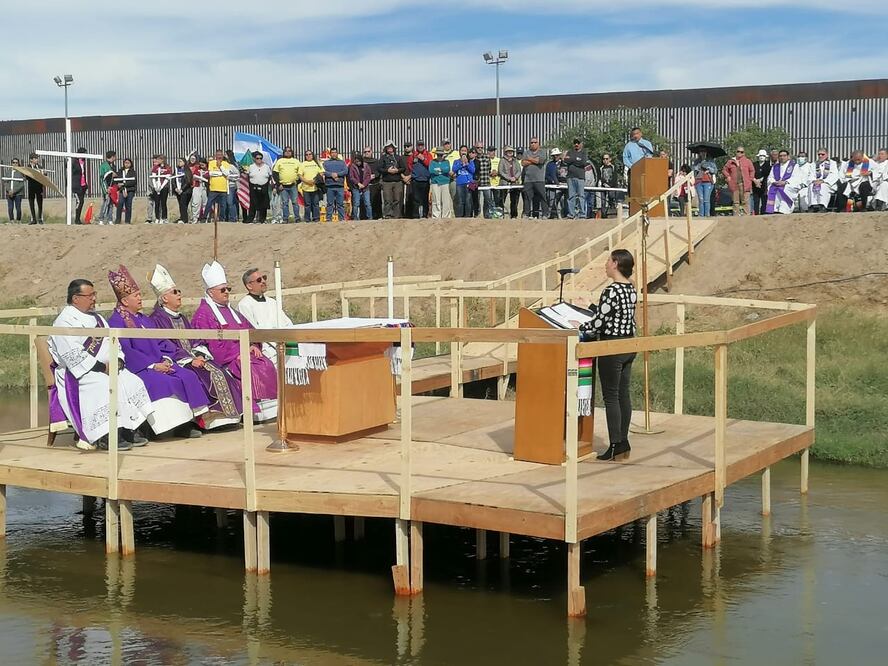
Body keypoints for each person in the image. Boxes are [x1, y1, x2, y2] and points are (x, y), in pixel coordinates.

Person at [49, 279, 152, 451]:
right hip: (80, 373)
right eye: (90, 296)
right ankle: (106, 435)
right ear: (76, 298)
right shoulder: (64, 321)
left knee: (131, 381)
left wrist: (117, 360)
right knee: (103, 385)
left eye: (94, 295)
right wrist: (103, 368)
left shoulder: (97, 318)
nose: (94, 299)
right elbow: (72, 355)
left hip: (108, 367)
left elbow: (114, 341)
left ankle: (129, 428)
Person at [107, 265, 209, 438]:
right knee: (162, 382)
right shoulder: (117, 321)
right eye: (136, 296)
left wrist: (167, 360)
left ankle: (184, 425)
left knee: (187, 376)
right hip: (141, 368)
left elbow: (162, 342)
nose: (141, 298)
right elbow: (126, 350)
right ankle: (160, 428)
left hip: (161, 362)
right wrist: (153, 365)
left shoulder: (144, 319)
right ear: (125, 301)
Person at [147, 264, 242, 429]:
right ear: (164, 298)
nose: (179, 295)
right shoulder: (156, 319)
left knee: (219, 371)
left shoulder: (182, 317)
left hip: (194, 357)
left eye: (179, 292)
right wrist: (189, 360)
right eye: (175, 292)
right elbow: (165, 346)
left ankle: (229, 418)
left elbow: (196, 339)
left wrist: (199, 354)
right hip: (178, 361)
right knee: (206, 376)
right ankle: (210, 421)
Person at [190, 260, 278, 422]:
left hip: (243, 354)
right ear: (211, 293)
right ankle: (256, 413)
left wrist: (252, 344)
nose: (227, 292)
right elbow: (214, 346)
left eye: (228, 289)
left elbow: (249, 329)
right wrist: (239, 354)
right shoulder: (204, 314)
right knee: (252, 366)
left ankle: (270, 409)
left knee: (265, 362)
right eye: (222, 290)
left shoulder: (232, 311)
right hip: (227, 360)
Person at [579, 249, 637, 462]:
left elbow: (599, 323)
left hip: (611, 347)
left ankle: (614, 444)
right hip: (628, 344)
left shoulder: (611, 290)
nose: (605, 265)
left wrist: (581, 326)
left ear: (615, 264)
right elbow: (616, 314)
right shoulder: (630, 289)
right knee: (624, 394)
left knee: (611, 396)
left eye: (607, 261)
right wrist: (590, 306)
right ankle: (623, 442)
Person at [237, 267, 295, 365]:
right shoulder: (245, 305)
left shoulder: (272, 302)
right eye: (259, 280)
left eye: (264, 278)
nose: (263, 281)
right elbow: (252, 331)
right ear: (249, 286)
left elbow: (287, 323)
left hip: (283, 346)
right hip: (265, 351)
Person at [765, 150, 803, 214]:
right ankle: (775, 209)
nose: (782, 157)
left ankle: (784, 209)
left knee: (785, 188)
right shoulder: (775, 167)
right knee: (772, 188)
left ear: (788, 157)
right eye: (780, 156)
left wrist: (785, 182)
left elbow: (796, 178)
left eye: (784, 156)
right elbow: (770, 177)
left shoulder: (794, 166)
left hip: (788, 185)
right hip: (777, 184)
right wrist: (774, 182)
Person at [722, 146, 755, 216]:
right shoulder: (730, 161)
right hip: (734, 185)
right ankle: (735, 217)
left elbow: (752, 170)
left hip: (745, 184)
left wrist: (750, 179)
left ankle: (747, 216)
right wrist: (728, 176)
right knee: (735, 202)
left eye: (741, 152)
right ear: (736, 152)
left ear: (744, 153)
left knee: (745, 201)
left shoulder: (748, 161)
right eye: (738, 151)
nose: (740, 153)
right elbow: (724, 170)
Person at [521, 137, 548, 219]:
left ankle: (545, 214)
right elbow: (523, 163)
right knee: (527, 197)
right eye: (531, 142)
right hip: (528, 179)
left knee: (542, 196)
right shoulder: (526, 152)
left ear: (538, 143)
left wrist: (529, 159)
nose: (533, 144)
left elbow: (540, 161)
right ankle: (527, 214)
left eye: (535, 142)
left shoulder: (542, 152)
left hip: (539, 179)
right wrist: (534, 160)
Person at [273, 146, 301, 223]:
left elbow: (301, 173)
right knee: (285, 203)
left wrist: (297, 182)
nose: (288, 152)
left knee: (295, 202)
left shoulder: (296, 161)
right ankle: (285, 219)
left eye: (289, 151)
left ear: (292, 152)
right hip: (283, 186)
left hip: (293, 185)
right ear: (284, 152)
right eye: (286, 151)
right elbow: (275, 173)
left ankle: (297, 218)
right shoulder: (280, 161)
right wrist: (279, 184)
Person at [622, 127, 654, 192]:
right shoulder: (628, 145)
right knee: (633, 190)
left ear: (641, 134)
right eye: (634, 134)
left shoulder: (647, 144)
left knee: (644, 190)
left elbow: (650, 155)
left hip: (644, 170)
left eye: (637, 133)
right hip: (633, 170)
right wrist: (632, 166)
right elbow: (625, 157)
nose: (635, 135)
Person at [565, 138, 590, 219]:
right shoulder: (570, 152)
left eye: (578, 143)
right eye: (575, 143)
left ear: (581, 144)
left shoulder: (584, 153)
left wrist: (572, 160)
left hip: (580, 177)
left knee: (581, 196)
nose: (576, 144)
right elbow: (566, 160)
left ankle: (582, 214)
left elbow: (583, 162)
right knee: (571, 196)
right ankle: (571, 214)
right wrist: (576, 159)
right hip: (570, 177)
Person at [379, 140, 405, 219]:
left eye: (391, 147)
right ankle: (388, 215)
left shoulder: (398, 157)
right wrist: (387, 170)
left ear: (394, 148)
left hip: (397, 181)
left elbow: (403, 168)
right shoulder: (383, 158)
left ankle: (396, 215)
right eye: (388, 147)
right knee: (387, 199)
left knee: (397, 199)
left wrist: (397, 170)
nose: (389, 149)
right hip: (387, 182)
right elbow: (379, 168)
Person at [807, 148, 839, 212]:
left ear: (827, 155)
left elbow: (834, 175)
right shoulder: (814, 164)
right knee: (811, 186)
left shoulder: (832, 163)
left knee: (823, 186)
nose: (820, 156)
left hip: (828, 183)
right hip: (816, 182)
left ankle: (822, 206)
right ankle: (812, 206)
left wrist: (823, 181)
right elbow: (811, 174)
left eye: (822, 154)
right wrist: (814, 180)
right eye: (819, 154)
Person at [244, 151, 272, 223]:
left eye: (260, 158)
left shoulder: (266, 167)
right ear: (254, 159)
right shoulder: (251, 166)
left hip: (264, 187)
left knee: (263, 204)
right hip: (253, 187)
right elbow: (246, 174)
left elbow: (270, 176)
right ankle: (250, 219)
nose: (259, 159)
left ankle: (262, 219)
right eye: (257, 158)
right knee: (253, 204)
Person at [206, 149, 232, 222]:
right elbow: (210, 173)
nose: (219, 156)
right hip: (213, 188)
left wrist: (220, 166)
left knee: (223, 205)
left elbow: (227, 174)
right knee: (209, 203)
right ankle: (204, 218)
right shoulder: (211, 163)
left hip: (223, 188)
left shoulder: (226, 163)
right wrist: (221, 173)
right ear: (215, 156)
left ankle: (222, 219)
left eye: (220, 155)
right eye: (218, 155)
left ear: (222, 156)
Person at [323, 147, 348, 221]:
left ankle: (342, 218)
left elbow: (345, 171)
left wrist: (337, 174)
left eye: (335, 152)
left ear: (337, 153)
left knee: (340, 204)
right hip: (329, 186)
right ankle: (328, 218)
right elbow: (323, 171)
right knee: (330, 204)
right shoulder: (326, 163)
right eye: (332, 152)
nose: (334, 154)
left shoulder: (342, 162)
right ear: (330, 154)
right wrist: (331, 175)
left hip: (339, 186)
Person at [299, 149, 324, 222]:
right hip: (305, 188)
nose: (308, 156)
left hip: (315, 187)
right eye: (306, 154)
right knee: (307, 204)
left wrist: (314, 181)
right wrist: (307, 181)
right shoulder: (303, 164)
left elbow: (321, 173)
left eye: (310, 154)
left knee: (315, 204)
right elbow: (300, 175)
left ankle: (316, 218)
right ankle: (307, 218)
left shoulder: (317, 163)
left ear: (312, 155)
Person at [497, 146, 522, 219]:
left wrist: (515, 177)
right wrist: (509, 178)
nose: (510, 152)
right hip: (504, 183)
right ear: (505, 152)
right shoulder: (502, 160)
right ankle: (500, 215)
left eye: (511, 151)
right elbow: (500, 171)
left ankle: (514, 215)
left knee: (514, 200)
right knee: (501, 200)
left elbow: (519, 170)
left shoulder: (515, 160)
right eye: (508, 151)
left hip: (514, 183)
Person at [409, 140, 432, 218]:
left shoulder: (428, 154)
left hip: (425, 180)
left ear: (424, 146)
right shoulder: (413, 155)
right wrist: (414, 174)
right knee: (416, 199)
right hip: (416, 180)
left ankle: (425, 215)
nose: (420, 146)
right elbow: (410, 166)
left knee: (425, 199)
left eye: (422, 145)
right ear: (416, 146)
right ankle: (415, 215)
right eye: (419, 145)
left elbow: (430, 165)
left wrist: (423, 159)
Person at [692, 149, 717, 217]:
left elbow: (715, 170)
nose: (703, 153)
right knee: (701, 199)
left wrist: (708, 169)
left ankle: (707, 215)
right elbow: (693, 169)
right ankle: (701, 215)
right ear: (699, 153)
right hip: (698, 181)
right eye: (701, 151)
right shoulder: (697, 161)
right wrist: (699, 166)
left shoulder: (710, 160)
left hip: (708, 181)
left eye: (704, 151)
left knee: (706, 199)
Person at [149, 154, 173, 224]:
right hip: (156, 187)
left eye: (159, 159)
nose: (157, 160)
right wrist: (156, 186)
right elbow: (153, 177)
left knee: (163, 203)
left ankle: (164, 218)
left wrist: (161, 187)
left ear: (163, 160)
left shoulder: (168, 167)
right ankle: (157, 218)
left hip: (164, 187)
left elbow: (167, 178)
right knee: (157, 203)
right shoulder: (155, 167)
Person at [429, 148, 452, 218]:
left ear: (443, 155)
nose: (439, 156)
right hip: (435, 182)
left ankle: (446, 216)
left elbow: (447, 169)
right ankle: (436, 216)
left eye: (441, 155)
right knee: (436, 200)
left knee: (446, 200)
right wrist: (442, 170)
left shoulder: (447, 161)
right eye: (438, 155)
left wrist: (438, 170)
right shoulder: (432, 162)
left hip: (445, 182)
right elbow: (431, 170)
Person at [453, 146, 476, 218]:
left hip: (469, 183)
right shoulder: (456, 161)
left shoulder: (471, 161)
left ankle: (468, 217)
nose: (463, 152)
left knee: (468, 201)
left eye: (465, 151)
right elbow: (454, 169)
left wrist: (467, 164)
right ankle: (460, 217)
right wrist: (461, 163)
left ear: (467, 152)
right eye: (462, 150)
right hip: (459, 183)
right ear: (459, 152)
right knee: (460, 200)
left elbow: (473, 171)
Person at [471, 141, 492, 218]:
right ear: (475, 147)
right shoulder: (472, 157)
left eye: (481, 147)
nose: (480, 149)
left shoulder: (487, 157)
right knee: (475, 200)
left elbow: (489, 169)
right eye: (478, 147)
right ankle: (477, 215)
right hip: (474, 182)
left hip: (486, 181)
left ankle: (486, 215)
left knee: (488, 199)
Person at [348, 153, 373, 220]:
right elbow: (351, 177)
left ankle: (370, 217)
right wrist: (358, 183)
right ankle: (355, 217)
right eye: (356, 162)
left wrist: (364, 184)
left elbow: (368, 176)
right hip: (356, 187)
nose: (358, 163)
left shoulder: (366, 166)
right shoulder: (352, 166)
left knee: (367, 203)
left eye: (359, 161)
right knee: (356, 203)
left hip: (365, 187)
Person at [114, 158, 137, 224]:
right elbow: (117, 180)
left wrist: (124, 184)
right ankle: (118, 220)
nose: (126, 164)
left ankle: (127, 221)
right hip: (122, 190)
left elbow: (133, 181)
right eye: (125, 163)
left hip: (130, 190)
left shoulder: (133, 172)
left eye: (128, 163)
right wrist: (120, 186)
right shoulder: (120, 171)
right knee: (120, 204)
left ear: (131, 164)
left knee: (128, 205)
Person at [362, 146, 382, 220]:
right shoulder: (361, 162)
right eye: (365, 152)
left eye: (368, 151)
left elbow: (379, 170)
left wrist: (374, 175)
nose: (367, 153)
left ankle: (377, 216)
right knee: (365, 203)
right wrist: (367, 177)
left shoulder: (376, 161)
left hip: (374, 184)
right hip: (364, 185)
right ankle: (365, 217)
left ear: (371, 152)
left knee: (376, 201)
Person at [545, 148, 566, 218]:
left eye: (557, 155)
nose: (555, 157)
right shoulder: (549, 164)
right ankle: (550, 215)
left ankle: (563, 215)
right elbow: (547, 175)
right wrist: (553, 181)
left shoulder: (564, 164)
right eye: (554, 155)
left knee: (563, 201)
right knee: (551, 201)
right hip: (552, 186)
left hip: (563, 185)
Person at [97, 151, 117, 225]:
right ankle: (101, 218)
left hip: (111, 187)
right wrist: (106, 189)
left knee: (111, 203)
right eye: (115, 156)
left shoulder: (112, 165)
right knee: (106, 202)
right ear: (112, 157)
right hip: (106, 188)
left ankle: (110, 219)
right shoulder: (104, 165)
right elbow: (102, 178)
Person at [25, 153, 45, 225]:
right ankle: (33, 219)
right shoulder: (28, 167)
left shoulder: (40, 167)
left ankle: (40, 218)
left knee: (40, 203)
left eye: (37, 158)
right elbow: (26, 177)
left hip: (39, 187)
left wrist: (43, 173)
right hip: (31, 187)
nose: (37, 160)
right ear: (31, 160)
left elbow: (44, 176)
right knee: (31, 203)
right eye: (35, 158)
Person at [71, 148, 89, 225]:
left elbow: (83, 173)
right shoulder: (74, 161)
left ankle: (78, 219)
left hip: (83, 185)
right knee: (79, 201)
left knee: (81, 202)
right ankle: (77, 219)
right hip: (76, 185)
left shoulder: (83, 161)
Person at [4, 158, 25, 222]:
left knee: (18, 208)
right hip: (9, 193)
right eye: (13, 162)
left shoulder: (21, 173)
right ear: (11, 163)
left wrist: (14, 191)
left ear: (18, 164)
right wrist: (9, 190)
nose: (15, 164)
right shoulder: (8, 172)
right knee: (10, 208)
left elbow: (21, 184)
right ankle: (11, 220)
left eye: (16, 163)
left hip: (18, 193)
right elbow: (5, 182)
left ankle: (18, 220)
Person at [173, 157, 192, 224]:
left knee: (183, 204)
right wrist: (175, 188)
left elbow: (188, 181)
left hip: (185, 191)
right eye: (178, 161)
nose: (179, 163)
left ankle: (184, 219)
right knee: (181, 204)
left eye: (180, 161)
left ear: (184, 162)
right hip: (178, 190)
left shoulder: (187, 170)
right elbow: (173, 179)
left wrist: (182, 189)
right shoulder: (176, 170)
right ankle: (182, 217)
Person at [190, 157, 210, 223]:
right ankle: (195, 218)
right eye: (200, 165)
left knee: (205, 203)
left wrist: (204, 177)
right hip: (197, 186)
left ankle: (205, 218)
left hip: (205, 188)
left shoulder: (209, 169)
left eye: (203, 165)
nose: (201, 166)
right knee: (196, 203)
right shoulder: (197, 169)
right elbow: (194, 176)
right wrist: (198, 177)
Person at [751, 149, 770, 215]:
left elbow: (768, 174)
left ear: (765, 157)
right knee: (756, 201)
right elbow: (751, 173)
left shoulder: (768, 164)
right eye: (760, 156)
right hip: (755, 186)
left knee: (764, 201)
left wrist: (760, 180)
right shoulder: (754, 164)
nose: (761, 157)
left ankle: (763, 213)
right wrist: (755, 180)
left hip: (764, 186)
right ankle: (756, 214)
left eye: (763, 156)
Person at [225, 149, 241, 222]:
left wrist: (229, 177)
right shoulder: (223, 164)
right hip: (224, 186)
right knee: (230, 202)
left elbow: (238, 175)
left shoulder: (232, 165)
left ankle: (233, 218)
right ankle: (230, 217)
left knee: (230, 202)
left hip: (231, 186)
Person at [487, 146, 502, 216]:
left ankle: (498, 215)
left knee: (497, 200)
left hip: (497, 183)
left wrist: (497, 172)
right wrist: (490, 173)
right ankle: (489, 215)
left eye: (493, 151)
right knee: (488, 201)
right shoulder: (486, 160)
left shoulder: (499, 160)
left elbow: (502, 170)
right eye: (490, 151)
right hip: (488, 183)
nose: (491, 152)